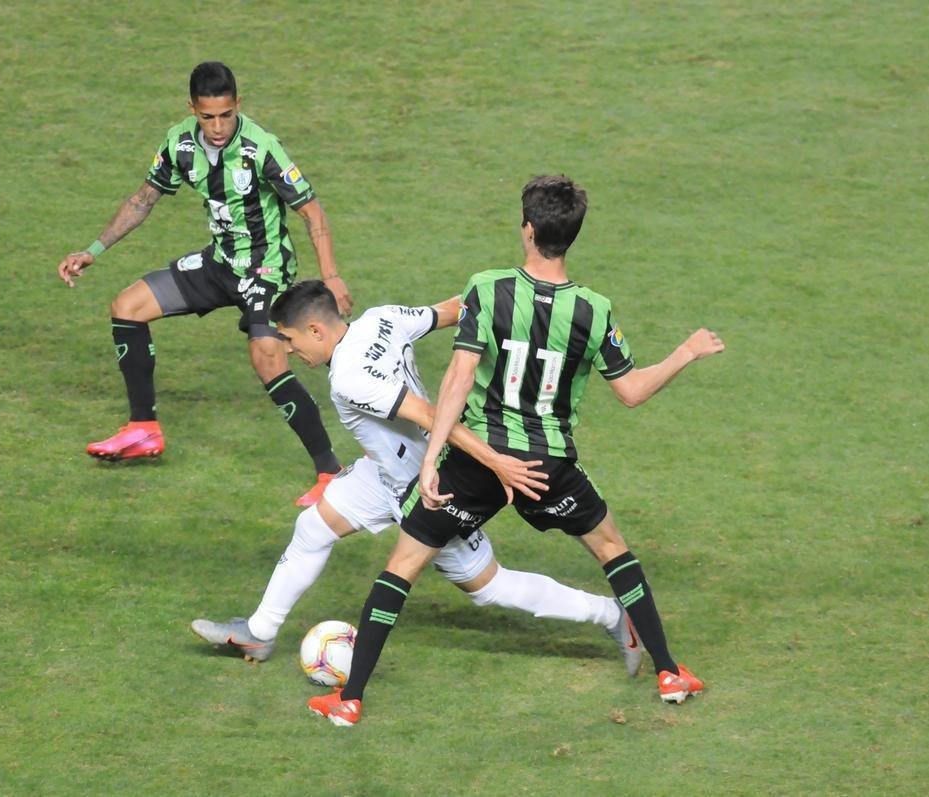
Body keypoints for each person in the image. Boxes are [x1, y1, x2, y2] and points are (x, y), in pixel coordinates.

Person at [309, 175, 725, 726]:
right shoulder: (594, 311)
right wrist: (685, 352)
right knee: (611, 550)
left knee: (403, 567)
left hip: (479, 459)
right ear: (570, 236)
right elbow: (631, 391)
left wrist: (432, 459)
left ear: (528, 230)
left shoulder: (488, 288)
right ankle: (669, 671)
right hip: (547, 465)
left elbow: (458, 378)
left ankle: (350, 700)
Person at [189, 281, 644, 678]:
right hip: (383, 472)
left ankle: (612, 616)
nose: (287, 350)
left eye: (289, 338)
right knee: (312, 527)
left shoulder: (349, 377)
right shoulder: (380, 319)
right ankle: (259, 632)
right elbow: (452, 309)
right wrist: (513, 303)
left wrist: (496, 462)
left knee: (488, 586)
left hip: (427, 484)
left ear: (315, 330)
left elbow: (429, 415)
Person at [56, 61, 350, 506]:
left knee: (266, 357)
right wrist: (92, 251)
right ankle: (143, 429)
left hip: (264, 270)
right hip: (219, 264)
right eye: (207, 116)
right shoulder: (179, 142)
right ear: (192, 108)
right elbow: (142, 200)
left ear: (238, 106)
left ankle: (330, 472)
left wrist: (330, 276)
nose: (217, 127)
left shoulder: (261, 148)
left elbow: (312, 212)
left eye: (226, 115)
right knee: (127, 306)